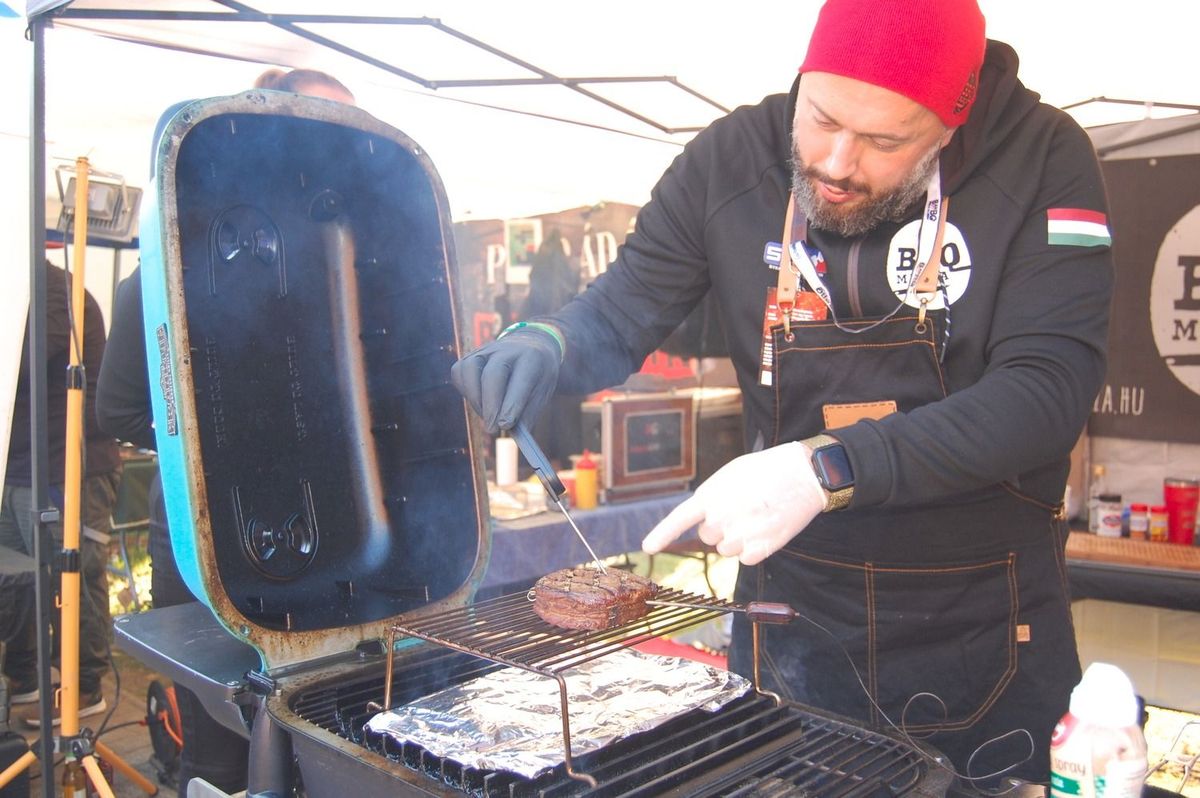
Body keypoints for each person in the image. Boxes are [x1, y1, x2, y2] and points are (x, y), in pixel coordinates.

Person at [451, 0, 1113, 785]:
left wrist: (822, 468)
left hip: (981, 629)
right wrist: (549, 344)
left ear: (952, 122)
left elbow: (1044, 394)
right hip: (791, 618)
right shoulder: (731, 159)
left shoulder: (1042, 159)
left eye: (883, 141)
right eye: (822, 118)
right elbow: (625, 305)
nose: (836, 162)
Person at [95, 65, 353, 795]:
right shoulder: (156, 276)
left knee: (321, 735)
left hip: (316, 533)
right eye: (320, 124)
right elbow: (115, 412)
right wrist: (216, 450)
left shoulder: (331, 273)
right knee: (220, 748)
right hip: (201, 536)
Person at [2, 259, 122, 726]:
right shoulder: (23, 290)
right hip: (19, 466)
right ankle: (28, 676)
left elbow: (19, 362)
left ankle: (84, 685)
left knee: (69, 581)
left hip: (65, 464)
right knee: (18, 584)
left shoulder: (54, 292)